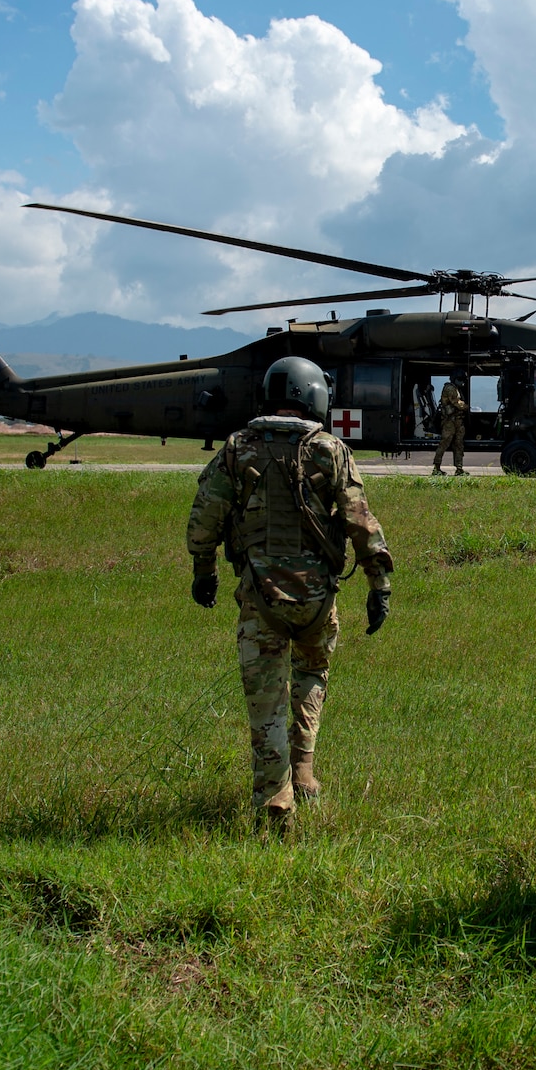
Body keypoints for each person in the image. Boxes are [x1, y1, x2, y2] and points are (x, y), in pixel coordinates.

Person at [188, 356, 394, 830]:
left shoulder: (239, 448)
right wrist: (378, 584)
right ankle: (303, 770)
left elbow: (206, 516)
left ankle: (275, 798)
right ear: (314, 395)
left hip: (261, 601)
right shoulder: (330, 449)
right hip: (318, 603)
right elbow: (361, 522)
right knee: (311, 673)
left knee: (265, 704)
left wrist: (204, 570)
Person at [432, 376, 468, 476]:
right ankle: (436, 467)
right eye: (461, 379)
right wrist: (466, 406)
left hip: (457, 421)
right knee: (444, 443)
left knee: (459, 445)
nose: (462, 382)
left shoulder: (456, 389)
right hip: (450, 422)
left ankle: (459, 468)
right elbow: (456, 403)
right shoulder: (450, 388)